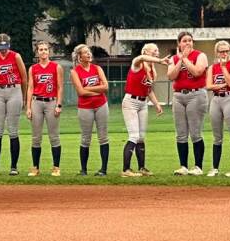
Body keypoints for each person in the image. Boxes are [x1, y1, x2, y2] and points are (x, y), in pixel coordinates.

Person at [121, 43, 168, 177]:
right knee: (134, 136)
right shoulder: (138, 63)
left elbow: (148, 90)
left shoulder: (154, 71)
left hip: (143, 103)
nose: (156, 52)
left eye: (157, 50)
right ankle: (126, 170)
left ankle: (142, 167)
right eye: (153, 50)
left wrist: (157, 104)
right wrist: (159, 61)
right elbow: (141, 58)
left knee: (141, 137)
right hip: (131, 101)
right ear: (145, 51)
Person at [167, 31, 209, 175]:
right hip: (179, 95)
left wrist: (185, 59)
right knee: (181, 133)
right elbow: (171, 75)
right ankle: (183, 166)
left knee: (195, 133)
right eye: (184, 41)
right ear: (178, 43)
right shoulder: (174, 58)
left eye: (190, 40)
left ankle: (198, 167)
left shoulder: (200, 55)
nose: (188, 43)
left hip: (195, 94)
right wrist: (180, 60)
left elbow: (197, 71)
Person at [0, 33, 28, 176]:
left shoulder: (15, 56)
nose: (3, 50)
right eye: (0, 47)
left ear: (9, 45)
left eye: (5, 47)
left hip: (14, 89)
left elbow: (24, 78)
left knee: (13, 130)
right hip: (0, 90)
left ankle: (13, 166)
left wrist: (24, 97)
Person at [205, 40, 230, 177]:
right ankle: (215, 168)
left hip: (229, 98)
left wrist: (223, 68)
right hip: (216, 100)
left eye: (227, 51)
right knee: (217, 137)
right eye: (221, 51)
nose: (224, 54)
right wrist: (222, 85)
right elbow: (209, 86)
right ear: (217, 52)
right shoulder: (211, 67)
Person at [71, 44, 110, 176]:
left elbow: (105, 87)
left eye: (89, 52)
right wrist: (96, 90)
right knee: (85, 138)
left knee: (103, 137)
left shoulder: (97, 68)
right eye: (85, 53)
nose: (89, 54)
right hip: (85, 107)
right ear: (79, 57)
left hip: (101, 105)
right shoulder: (75, 71)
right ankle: (83, 170)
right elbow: (80, 92)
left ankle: (103, 170)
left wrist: (88, 89)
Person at [25, 42, 63, 176]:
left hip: (51, 102)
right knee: (36, 137)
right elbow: (30, 88)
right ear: (37, 52)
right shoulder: (33, 68)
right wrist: (28, 106)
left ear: (49, 51)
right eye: (40, 49)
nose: (43, 52)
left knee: (54, 136)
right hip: (37, 101)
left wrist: (59, 104)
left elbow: (59, 87)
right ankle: (35, 167)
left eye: (46, 49)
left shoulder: (56, 67)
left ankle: (56, 167)